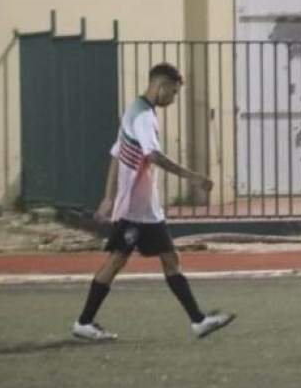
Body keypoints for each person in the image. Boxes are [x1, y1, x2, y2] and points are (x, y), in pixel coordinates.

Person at [71, 63, 236, 342]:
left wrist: (109, 196)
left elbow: (116, 155)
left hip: (144, 208)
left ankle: (198, 320)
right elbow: (154, 156)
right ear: (161, 85)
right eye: (173, 92)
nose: (172, 99)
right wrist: (193, 177)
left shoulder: (133, 110)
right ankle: (84, 322)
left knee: (167, 259)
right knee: (120, 261)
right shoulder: (144, 116)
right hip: (137, 211)